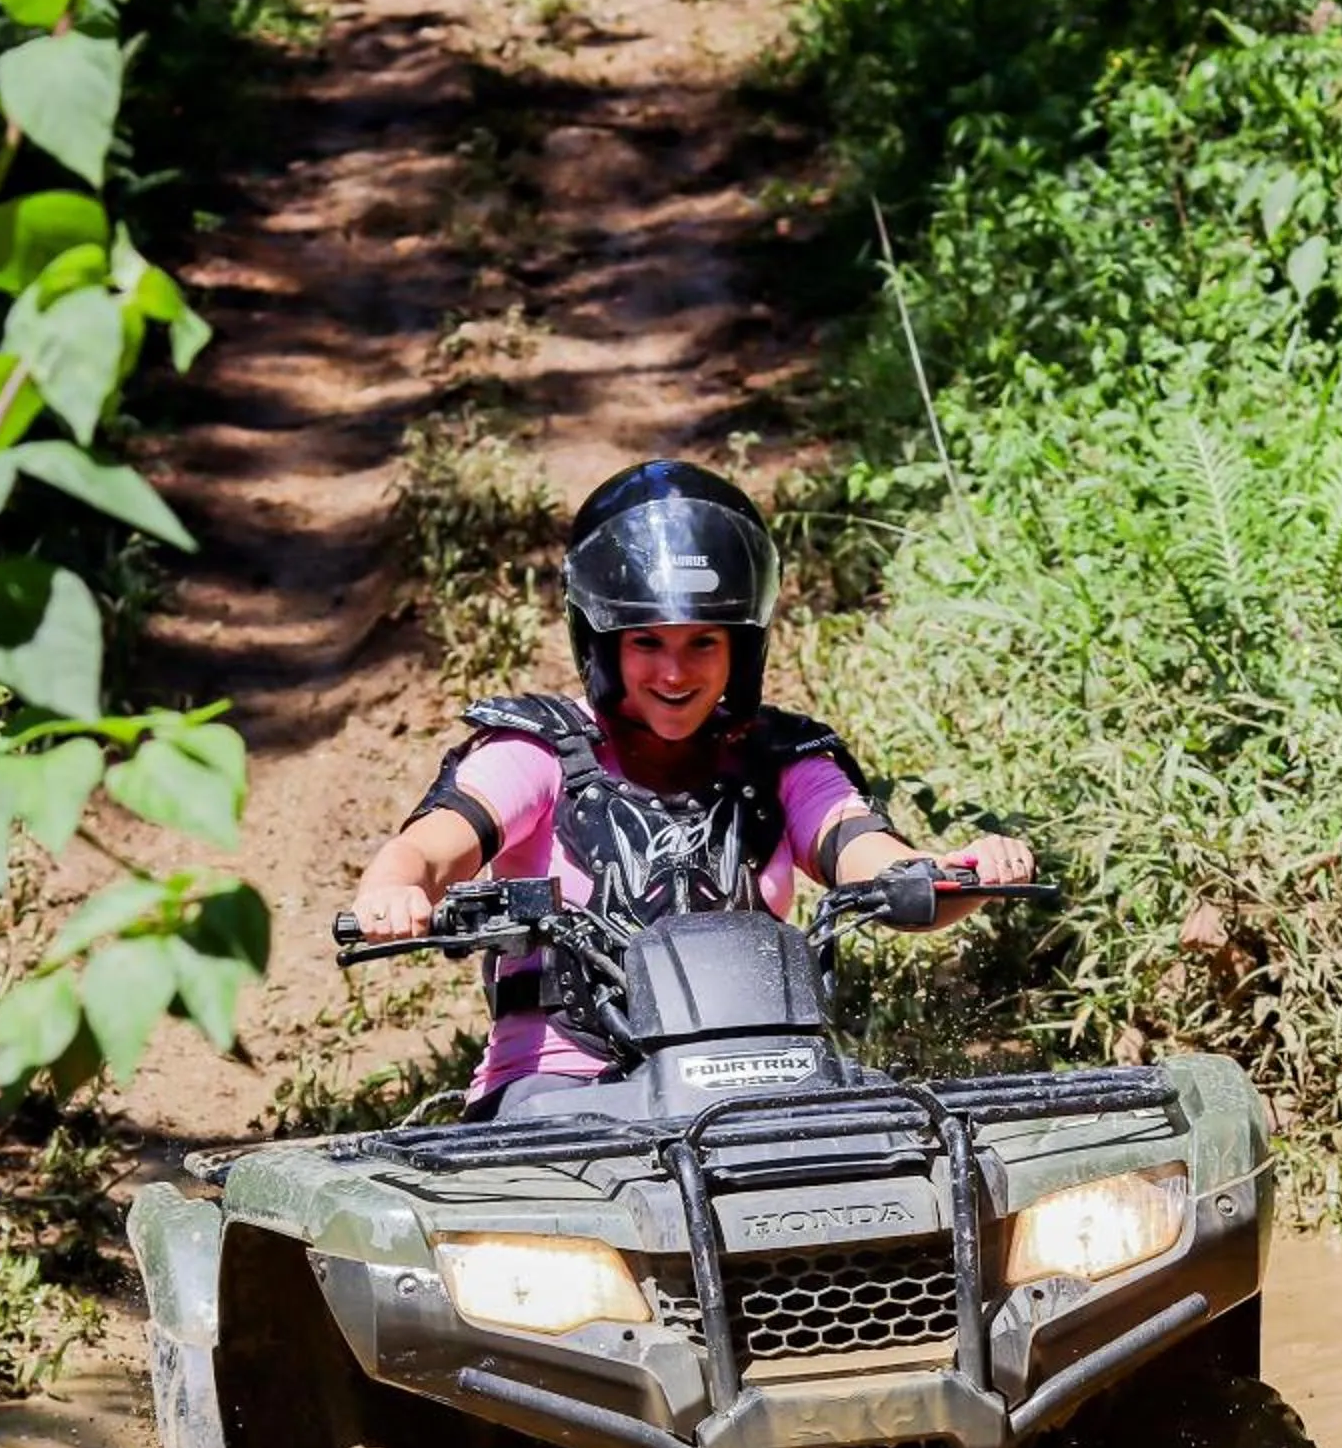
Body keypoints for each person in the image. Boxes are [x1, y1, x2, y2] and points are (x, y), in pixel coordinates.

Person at [350, 458, 1033, 1115]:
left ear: (741, 647)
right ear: (603, 643)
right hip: (559, 1094)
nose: (675, 673)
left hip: (763, 1087)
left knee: (898, 1143)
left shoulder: (781, 760)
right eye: (647, 642)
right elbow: (428, 850)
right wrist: (395, 890)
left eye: (702, 642)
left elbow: (869, 856)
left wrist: (954, 874)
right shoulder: (537, 753)